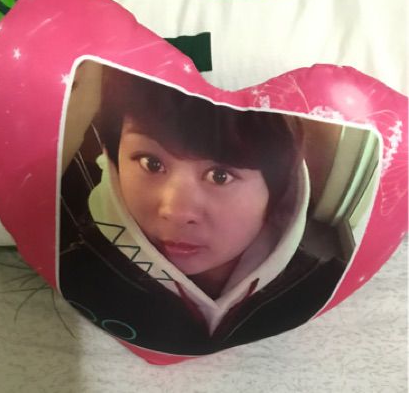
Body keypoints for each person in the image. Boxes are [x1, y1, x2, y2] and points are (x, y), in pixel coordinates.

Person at [59, 65, 346, 356]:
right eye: (151, 163)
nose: (175, 211)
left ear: (279, 188)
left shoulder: (326, 294)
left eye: (219, 176)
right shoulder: (73, 275)